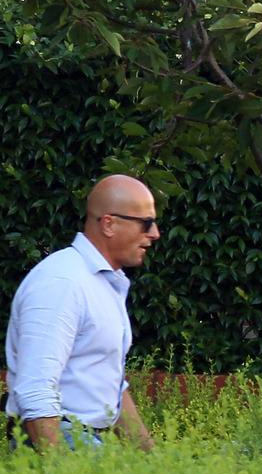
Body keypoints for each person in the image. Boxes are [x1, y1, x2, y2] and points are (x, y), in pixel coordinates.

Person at [4, 175, 160, 451]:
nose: (155, 233)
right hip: (61, 438)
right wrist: (64, 473)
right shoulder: (62, 282)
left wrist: (155, 461)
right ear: (109, 224)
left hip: (88, 438)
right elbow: (36, 388)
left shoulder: (103, 282)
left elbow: (110, 385)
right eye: (145, 223)